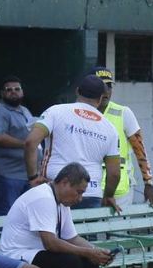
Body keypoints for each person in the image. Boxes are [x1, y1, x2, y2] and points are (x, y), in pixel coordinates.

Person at [23, 75, 122, 211]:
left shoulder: (55, 111)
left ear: (76, 91)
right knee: (86, 232)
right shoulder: (110, 128)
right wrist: (108, 196)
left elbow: (30, 142)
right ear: (100, 98)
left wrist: (33, 177)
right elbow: (115, 173)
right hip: (91, 193)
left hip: (57, 190)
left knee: (53, 232)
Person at [91, 67, 153, 207]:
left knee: (118, 228)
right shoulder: (82, 113)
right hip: (89, 188)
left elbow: (140, 149)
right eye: (101, 86)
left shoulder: (123, 113)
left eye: (109, 86)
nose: (106, 91)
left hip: (119, 190)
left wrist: (148, 182)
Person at [0, 75, 35, 215]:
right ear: (2, 93)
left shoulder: (25, 111)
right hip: (9, 174)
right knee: (7, 212)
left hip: (27, 174)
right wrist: (26, 144)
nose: (13, 92)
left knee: (24, 213)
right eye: (9, 89)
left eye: (17, 89)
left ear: (22, 92)